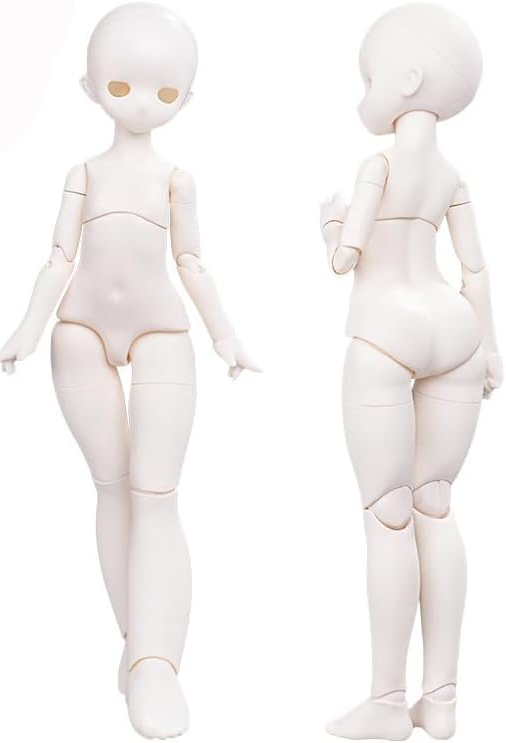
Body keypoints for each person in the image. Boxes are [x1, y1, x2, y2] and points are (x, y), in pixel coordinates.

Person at [0, 3, 259, 739]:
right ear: (89, 88)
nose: (141, 103)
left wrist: (226, 335)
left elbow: (192, 261)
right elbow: (57, 259)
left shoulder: (176, 179)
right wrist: (26, 328)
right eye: (121, 86)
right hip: (78, 331)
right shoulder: (81, 174)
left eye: (165, 92)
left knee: (156, 494)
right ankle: (140, 645)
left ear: (186, 99)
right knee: (112, 489)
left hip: (161, 331)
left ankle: (156, 664)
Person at [320, 4, 502, 740]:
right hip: (456, 330)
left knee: (388, 512)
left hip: (387, 328)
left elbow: (346, 259)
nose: (363, 93)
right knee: (435, 504)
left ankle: (388, 702)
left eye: (369, 78)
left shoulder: (378, 165)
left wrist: (330, 227)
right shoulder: (452, 175)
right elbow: (475, 269)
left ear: (407, 80)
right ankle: (444, 700)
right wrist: (492, 350)